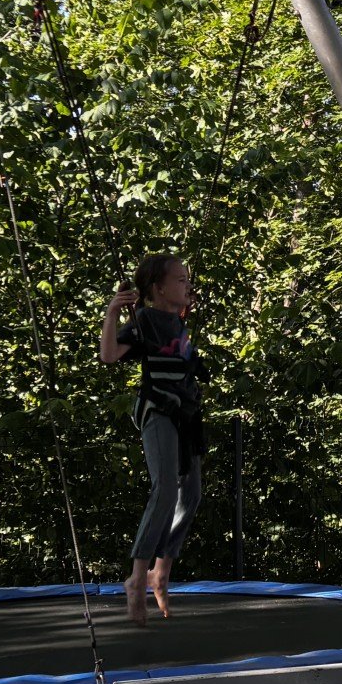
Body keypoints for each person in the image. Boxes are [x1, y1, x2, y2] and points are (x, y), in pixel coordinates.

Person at [100, 254, 207, 624]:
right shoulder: (144, 320)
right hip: (158, 410)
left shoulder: (178, 321)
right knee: (165, 490)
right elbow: (109, 355)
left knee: (191, 494)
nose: (187, 285)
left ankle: (160, 573)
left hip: (186, 414)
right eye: (180, 280)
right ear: (159, 288)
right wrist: (113, 312)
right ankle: (136, 577)